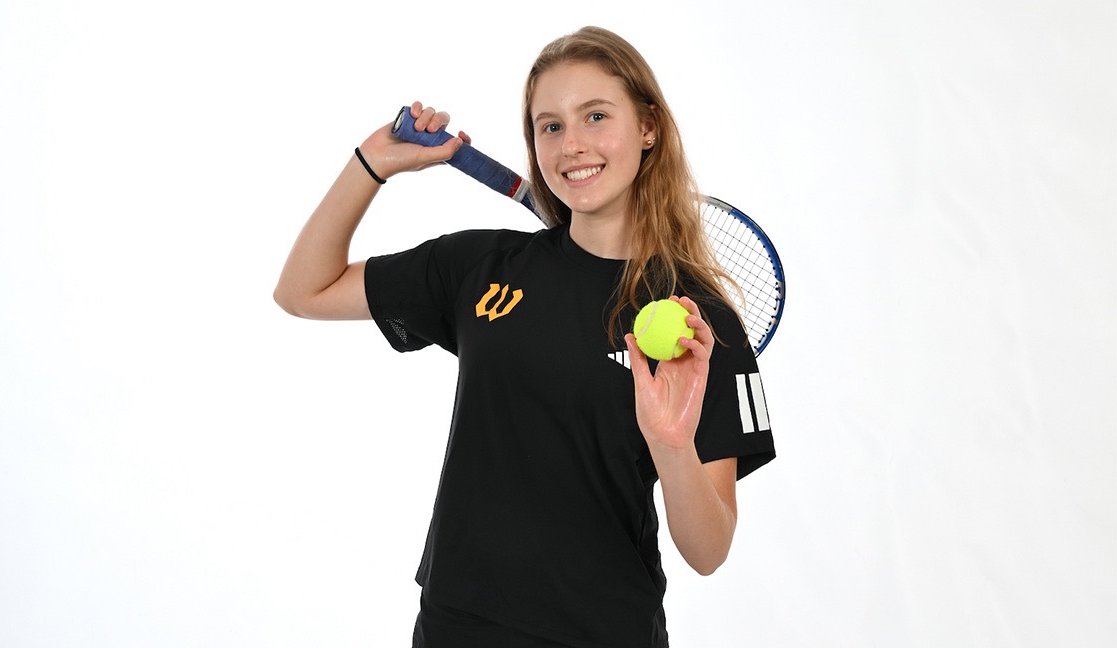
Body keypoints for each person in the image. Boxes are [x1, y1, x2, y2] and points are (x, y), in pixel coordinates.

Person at [274, 25, 776, 648]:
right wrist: (372, 166)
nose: (572, 146)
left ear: (649, 126)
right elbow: (302, 291)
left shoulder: (700, 323)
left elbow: (709, 551)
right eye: (551, 126)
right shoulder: (480, 269)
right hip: (457, 625)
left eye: (596, 115)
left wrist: (671, 446)